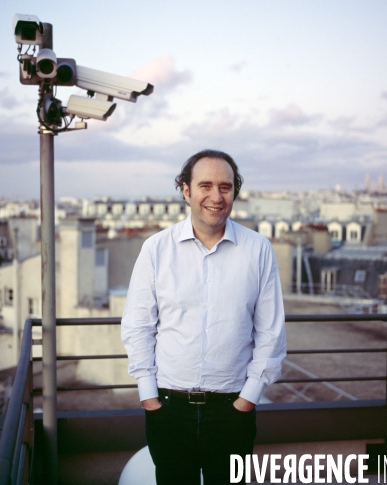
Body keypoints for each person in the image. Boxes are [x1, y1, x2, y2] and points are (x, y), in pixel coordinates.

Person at [121, 149, 287, 484]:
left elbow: (270, 331)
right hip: (168, 409)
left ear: (234, 193)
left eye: (225, 187)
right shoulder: (156, 249)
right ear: (186, 190)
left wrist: (248, 399)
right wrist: (149, 397)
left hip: (232, 411)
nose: (216, 196)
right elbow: (138, 326)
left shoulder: (257, 249)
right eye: (205, 185)